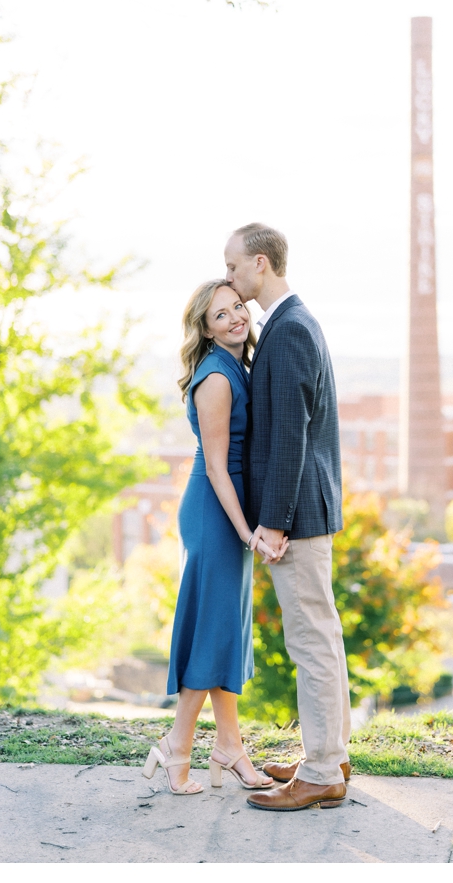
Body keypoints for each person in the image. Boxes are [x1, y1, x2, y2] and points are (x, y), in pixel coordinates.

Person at [223, 223, 351, 812]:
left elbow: (290, 438)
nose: (229, 277)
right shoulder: (290, 324)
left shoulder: (292, 328)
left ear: (260, 263)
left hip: (295, 516)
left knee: (311, 643)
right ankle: (331, 755)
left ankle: (323, 771)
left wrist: (272, 521)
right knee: (321, 636)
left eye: (233, 267)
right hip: (302, 512)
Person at [144, 280, 282, 795]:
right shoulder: (217, 379)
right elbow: (220, 469)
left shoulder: (236, 364)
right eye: (220, 316)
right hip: (215, 512)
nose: (235, 319)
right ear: (205, 329)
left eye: (238, 308)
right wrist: (248, 533)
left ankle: (230, 747)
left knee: (226, 631)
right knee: (211, 634)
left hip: (228, 511)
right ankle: (177, 747)